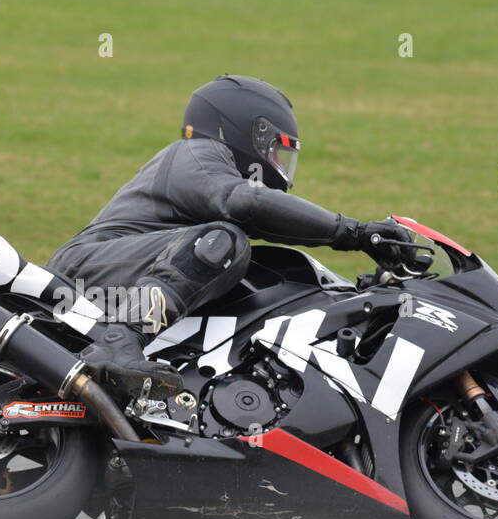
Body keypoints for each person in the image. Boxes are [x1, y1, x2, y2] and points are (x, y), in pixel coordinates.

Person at [48, 75, 413, 400]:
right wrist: (356, 233)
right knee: (225, 242)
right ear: (249, 132)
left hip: (114, 273)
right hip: (85, 268)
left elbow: (270, 218)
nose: (281, 166)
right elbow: (247, 203)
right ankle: (117, 344)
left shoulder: (211, 187)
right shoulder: (195, 153)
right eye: (277, 150)